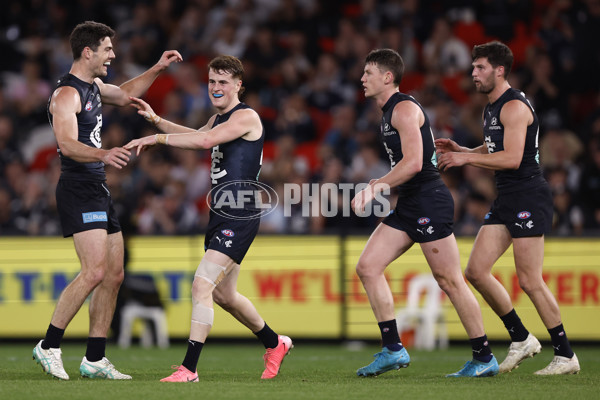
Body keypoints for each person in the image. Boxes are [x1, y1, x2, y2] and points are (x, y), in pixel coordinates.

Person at [124, 55, 292, 382]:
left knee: (201, 284)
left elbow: (204, 141)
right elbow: (198, 135)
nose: (216, 88)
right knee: (224, 295)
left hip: (240, 212)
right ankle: (276, 344)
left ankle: (189, 368)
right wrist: (157, 121)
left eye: (223, 82)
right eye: (212, 81)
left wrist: (156, 139)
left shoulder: (246, 117)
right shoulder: (219, 121)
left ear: (238, 85)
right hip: (221, 213)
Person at [32, 21, 182, 380]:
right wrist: (103, 154)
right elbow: (66, 145)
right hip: (78, 188)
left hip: (97, 187)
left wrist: (158, 68)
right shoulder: (67, 94)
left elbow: (127, 94)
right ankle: (49, 345)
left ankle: (94, 358)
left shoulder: (94, 86)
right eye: (108, 49)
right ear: (88, 52)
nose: (112, 55)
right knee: (94, 271)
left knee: (114, 274)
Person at [351, 48, 498, 378]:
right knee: (368, 266)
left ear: (388, 77)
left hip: (429, 202)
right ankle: (393, 349)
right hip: (410, 204)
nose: (362, 78)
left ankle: (484, 356)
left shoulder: (402, 109)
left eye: (368, 73)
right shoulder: (390, 111)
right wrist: (384, 182)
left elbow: (415, 164)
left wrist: (377, 186)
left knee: (449, 280)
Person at [436, 41, 580, 375]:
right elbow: (494, 145)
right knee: (475, 271)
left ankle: (565, 354)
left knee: (530, 280)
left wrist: (465, 158)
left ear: (500, 70)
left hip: (528, 196)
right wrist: (465, 147)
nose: (473, 73)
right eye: (473, 67)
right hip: (508, 198)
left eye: (480, 67)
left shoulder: (514, 106)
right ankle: (520, 337)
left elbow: (513, 157)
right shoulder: (492, 106)